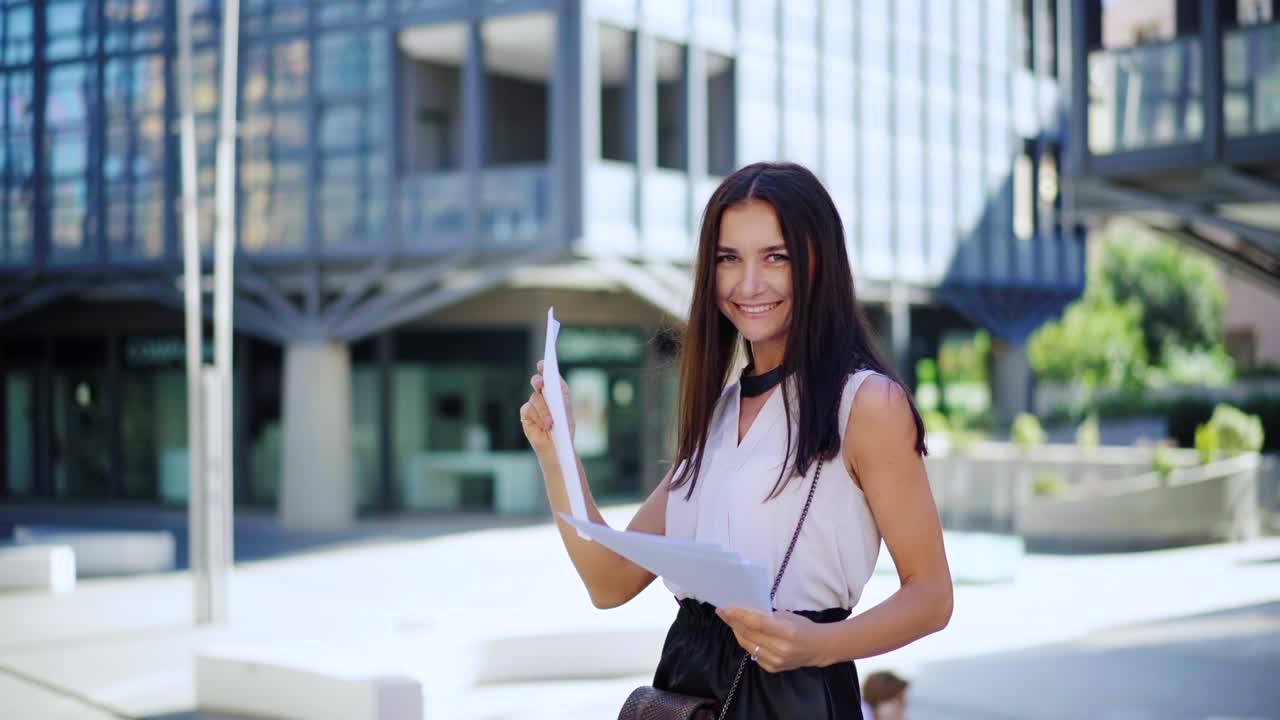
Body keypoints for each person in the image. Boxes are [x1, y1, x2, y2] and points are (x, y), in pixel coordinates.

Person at [519, 161, 952, 719]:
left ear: (819, 264)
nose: (748, 284)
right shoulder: (720, 411)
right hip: (690, 690)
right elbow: (608, 581)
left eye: (776, 257)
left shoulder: (867, 404)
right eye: (728, 259)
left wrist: (820, 645)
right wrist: (555, 451)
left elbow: (931, 595)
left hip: (793, 694)